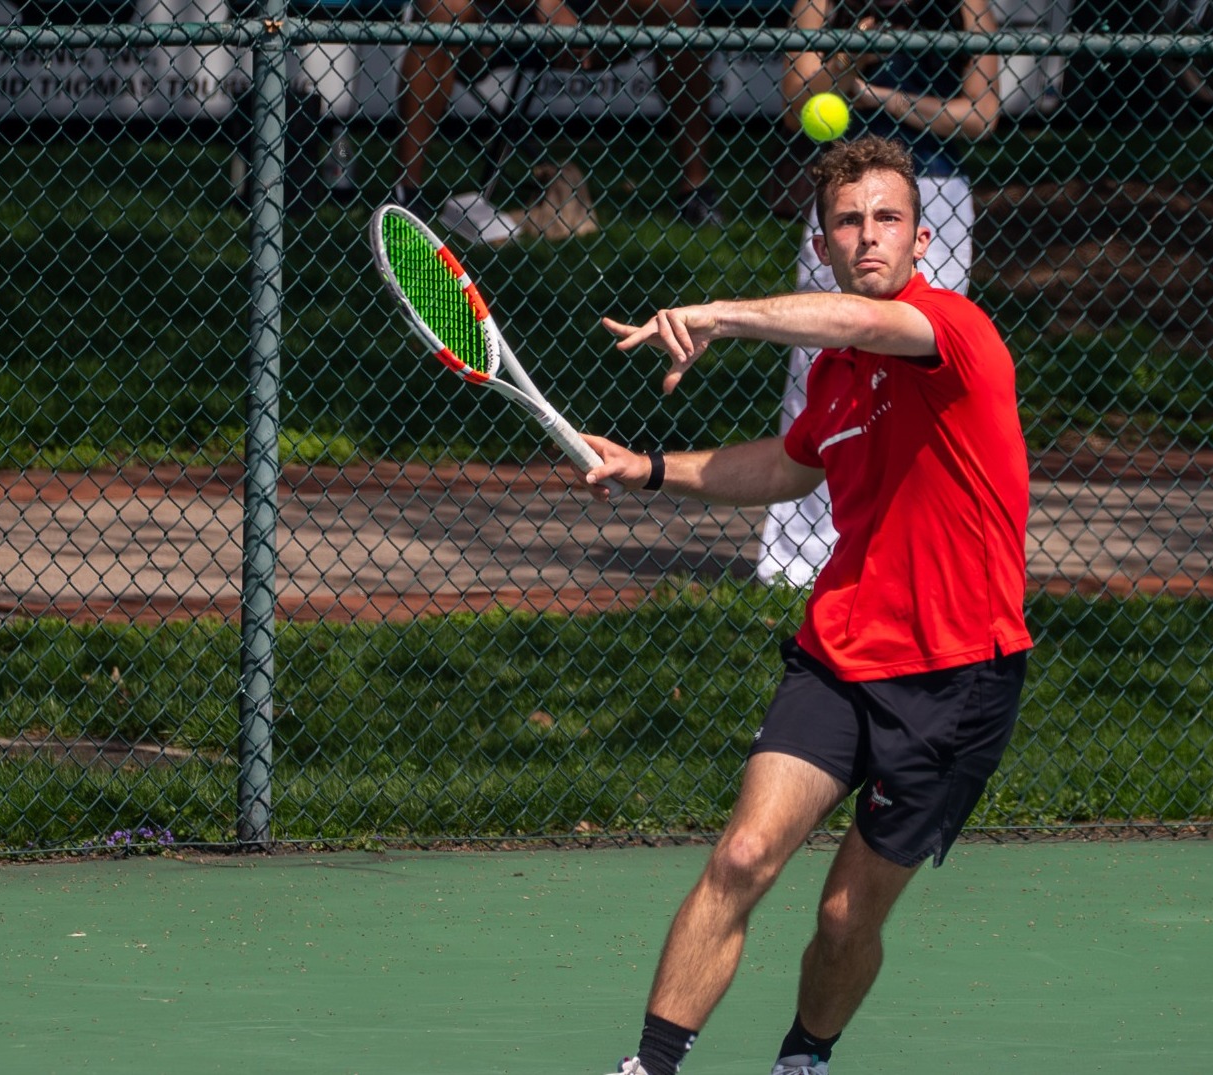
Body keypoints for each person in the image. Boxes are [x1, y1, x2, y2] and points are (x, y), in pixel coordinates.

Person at [575, 134, 1033, 1075]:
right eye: (848, 221)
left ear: (921, 236)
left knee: (843, 915)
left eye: (887, 219)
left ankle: (803, 1058)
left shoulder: (953, 330)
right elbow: (789, 465)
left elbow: (861, 325)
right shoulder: (833, 376)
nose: (870, 236)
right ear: (824, 243)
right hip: (841, 648)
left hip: (958, 675)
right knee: (743, 854)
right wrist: (649, 466)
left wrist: (720, 316)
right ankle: (649, 1067)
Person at [758, 0, 1002, 587]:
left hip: (930, 193)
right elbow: (797, 103)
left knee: (920, 379)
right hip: (844, 196)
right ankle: (798, 555)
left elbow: (981, 116)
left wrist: (881, 97)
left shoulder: (965, 9)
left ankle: (914, 544)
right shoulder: (826, 5)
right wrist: (847, 61)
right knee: (822, 368)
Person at [394, 0, 721, 230]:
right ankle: (408, 193)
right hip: (491, 14)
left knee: (675, 7)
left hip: (590, 12)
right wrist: (547, 4)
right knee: (442, 5)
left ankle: (694, 190)